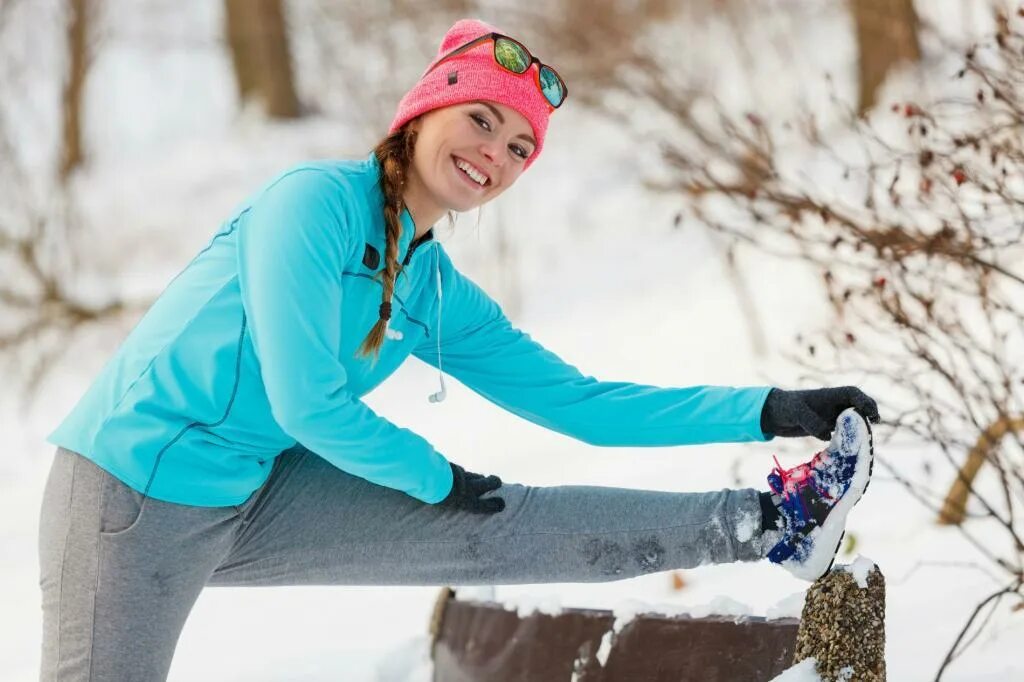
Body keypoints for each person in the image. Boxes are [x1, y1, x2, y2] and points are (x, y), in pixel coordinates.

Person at [37, 17, 881, 681]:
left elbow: (582, 403)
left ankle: (771, 523)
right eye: (481, 119)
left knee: (494, 523)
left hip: (254, 489)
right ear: (422, 110)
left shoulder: (434, 292)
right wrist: (434, 477)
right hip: (133, 494)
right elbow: (306, 400)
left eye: (521, 147)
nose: (496, 154)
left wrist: (766, 410)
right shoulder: (313, 203)